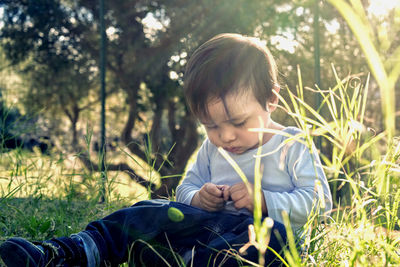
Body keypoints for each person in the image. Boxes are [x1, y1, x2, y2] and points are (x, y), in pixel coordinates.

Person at [0, 33, 332, 267]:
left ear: (271, 99)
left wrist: (264, 201)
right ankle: (70, 253)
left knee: (275, 239)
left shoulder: (292, 144)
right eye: (212, 126)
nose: (226, 137)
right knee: (149, 209)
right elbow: (185, 188)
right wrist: (198, 197)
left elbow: (320, 203)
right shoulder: (210, 149)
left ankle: (178, 260)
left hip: (258, 238)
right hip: (203, 228)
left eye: (238, 122)